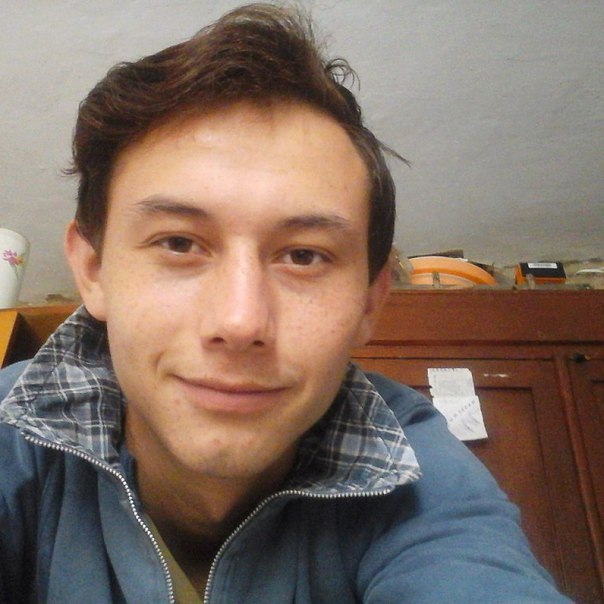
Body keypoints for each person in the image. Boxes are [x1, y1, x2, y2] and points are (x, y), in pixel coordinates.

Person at [0, 3, 570, 603]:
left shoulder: (423, 477)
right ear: (93, 270)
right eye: (179, 243)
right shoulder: (11, 433)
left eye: (303, 255)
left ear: (370, 302)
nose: (240, 321)